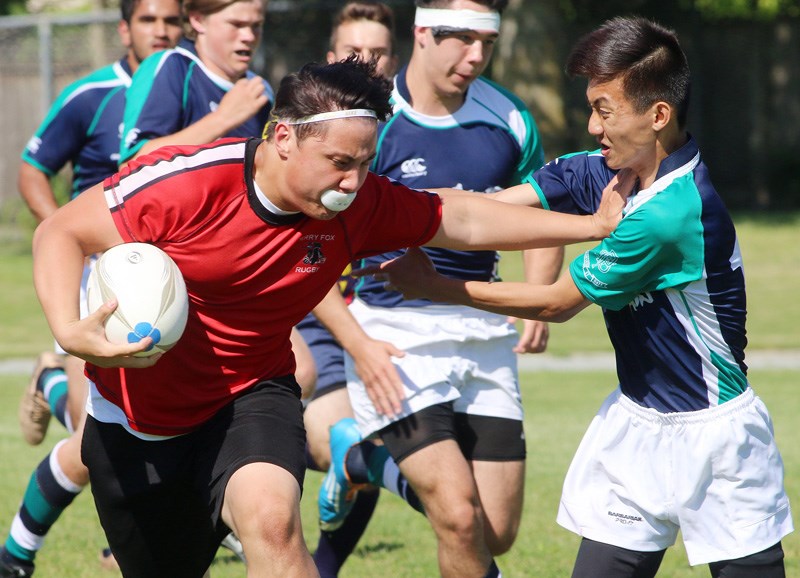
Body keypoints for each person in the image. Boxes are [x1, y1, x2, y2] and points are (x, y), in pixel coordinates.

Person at [30, 56, 626, 578]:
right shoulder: (191, 184)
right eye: (339, 162)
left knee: (273, 526)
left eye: (365, 164)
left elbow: (464, 218)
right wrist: (67, 326)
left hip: (249, 396)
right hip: (138, 417)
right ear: (283, 137)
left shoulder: (357, 205)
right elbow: (61, 231)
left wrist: (590, 227)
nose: (352, 183)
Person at [360, 16, 794, 578]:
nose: (591, 126)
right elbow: (481, 209)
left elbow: (555, 304)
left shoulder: (670, 212)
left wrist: (435, 286)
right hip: (638, 424)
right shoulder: (612, 172)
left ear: (658, 115)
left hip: (717, 439)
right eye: (590, 107)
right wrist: (385, 212)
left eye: (604, 109)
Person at [316, 1, 561, 577]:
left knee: (494, 533)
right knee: (456, 515)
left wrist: (539, 296)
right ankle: (365, 456)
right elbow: (309, 248)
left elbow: (542, 211)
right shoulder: (368, 119)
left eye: (488, 43)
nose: (475, 56)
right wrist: (359, 346)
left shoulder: (509, 117)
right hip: (395, 335)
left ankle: (357, 460)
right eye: (461, 39)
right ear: (423, 32)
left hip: (481, 333)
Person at [0, 2, 184, 576]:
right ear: (125, 28)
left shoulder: (197, 92)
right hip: (101, 277)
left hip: (174, 280)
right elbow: (33, 169)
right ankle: (17, 554)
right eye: (149, 20)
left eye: (171, 20)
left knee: (170, 417)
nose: (161, 31)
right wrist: (68, 239)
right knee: (94, 439)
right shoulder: (92, 94)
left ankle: (52, 384)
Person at [296, 3, 399, 577]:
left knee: (355, 443)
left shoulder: (403, 128)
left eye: (377, 53)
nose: (366, 63)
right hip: (311, 315)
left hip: (382, 317)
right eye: (352, 53)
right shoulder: (303, 130)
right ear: (329, 58)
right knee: (306, 433)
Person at [119, 0, 273, 164]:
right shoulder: (171, 66)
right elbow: (133, 165)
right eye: (236, 24)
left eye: (256, 25)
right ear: (198, 21)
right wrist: (222, 119)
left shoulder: (260, 90)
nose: (248, 36)